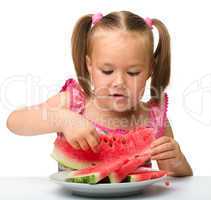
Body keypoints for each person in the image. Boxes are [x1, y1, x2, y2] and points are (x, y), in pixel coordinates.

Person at [6, 11, 193, 176]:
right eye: (107, 71)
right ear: (89, 65)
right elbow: (14, 121)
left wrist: (176, 160)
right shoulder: (74, 104)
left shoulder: (154, 118)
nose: (119, 82)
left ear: (150, 70)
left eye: (133, 72)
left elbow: (177, 176)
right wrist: (62, 119)